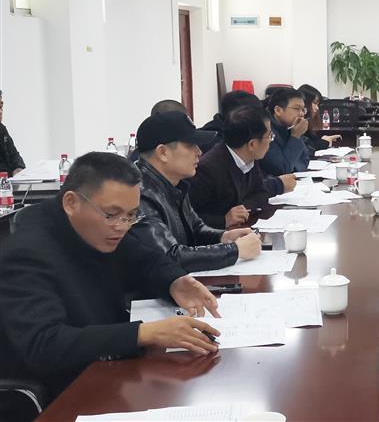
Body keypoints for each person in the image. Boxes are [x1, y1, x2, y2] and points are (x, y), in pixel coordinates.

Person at [0, 152, 221, 403]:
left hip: (109, 371)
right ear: (71, 203)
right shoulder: (26, 254)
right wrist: (143, 333)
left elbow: (146, 260)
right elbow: (44, 344)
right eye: (111, 214)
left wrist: (176, 282)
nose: (122, 226)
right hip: (62, 392)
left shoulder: (98, 228)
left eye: (131, 215)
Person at [122, 111, 262, 272]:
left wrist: (223, 237)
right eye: (191, 145)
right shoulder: (139, 194)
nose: (199, 152)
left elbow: (195, 229)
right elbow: (168, 256)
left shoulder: (176, 184)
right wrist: (234, 250)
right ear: (163, 153)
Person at [190, 105, 275, 229]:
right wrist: (223, 220)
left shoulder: (250, 157)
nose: (271, 141)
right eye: (269, 136)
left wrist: (242, 209)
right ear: (252, 144)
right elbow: (188, 216)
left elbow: (261, 193)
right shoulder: (207, 169)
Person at [260, 88, 311, 177]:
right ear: (278, 110)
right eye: (297, 108)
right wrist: (296, 136)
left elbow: (305, 160)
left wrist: (291, 166)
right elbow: (282, 169)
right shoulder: (265, 130)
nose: (302, 114)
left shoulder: (289, 127)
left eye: (303, 109)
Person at [297, 84, 341, 155]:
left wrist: (324, 139)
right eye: (314, 103)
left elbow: (312, 141)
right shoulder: (296, 123)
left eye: (318, 104)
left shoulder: (306, 122)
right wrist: (324, 142)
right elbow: (306, 148)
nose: (317, 108)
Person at [0, 90, 25, 176]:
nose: (0, 112)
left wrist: (18, 167)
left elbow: (14, 154)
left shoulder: (2, 129)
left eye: (1, 107)